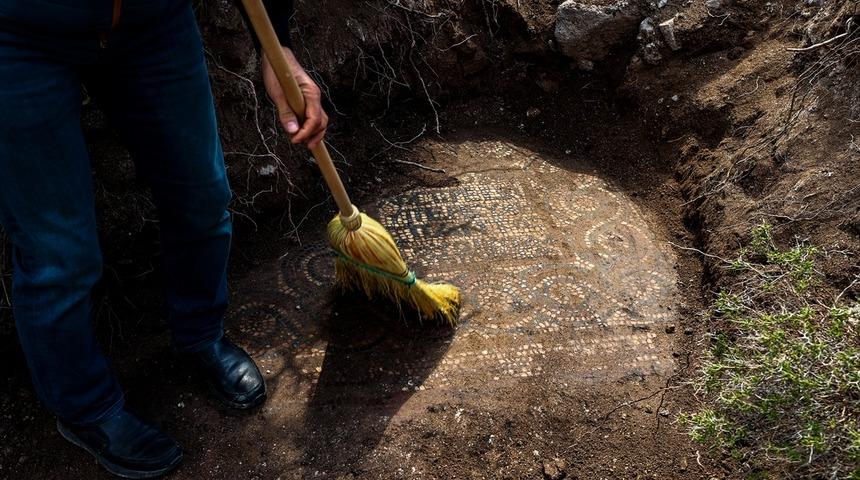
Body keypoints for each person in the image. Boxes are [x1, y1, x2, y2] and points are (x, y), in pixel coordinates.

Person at [0, 0, 327, 477]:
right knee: (59, 252)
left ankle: (200, 334)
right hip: (18, 37)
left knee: (201, 197)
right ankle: (84, 406)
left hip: (152, 20)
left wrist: (275, 45)